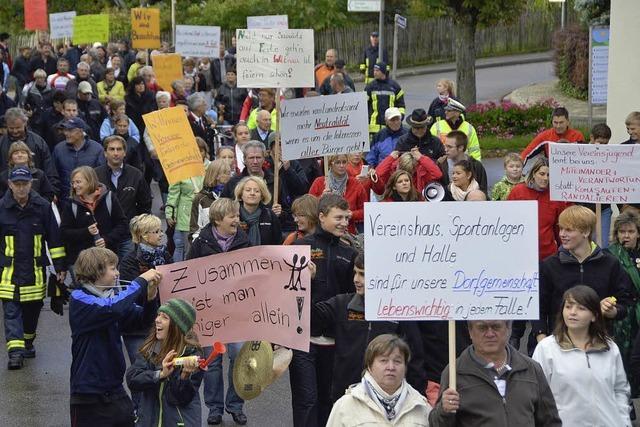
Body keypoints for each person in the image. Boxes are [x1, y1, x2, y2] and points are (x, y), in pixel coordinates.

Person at [68, 247, 162, 426]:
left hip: (115, 390)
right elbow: (111, 308)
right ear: (96, 271)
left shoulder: (112, 297)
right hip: (88, 395)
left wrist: (150, 299)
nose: (118, 273)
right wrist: (141, 281)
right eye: (113, 268)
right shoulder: (79, 298)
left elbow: (142, 322)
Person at [315, 253, 426, 402]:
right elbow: (311, 321)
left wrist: (415, 399)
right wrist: (308, 283)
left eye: (363, 275)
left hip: (387, 400)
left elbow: (414, 360)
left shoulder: (399, 311)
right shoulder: (342, 304)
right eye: (355, 272)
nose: (356, 279)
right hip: (347, 399)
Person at [291, 194, 357, 427]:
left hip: (334, 341)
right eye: (338, 217)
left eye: (346, 218)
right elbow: (283, 291)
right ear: (321, 217)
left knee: (330, 402)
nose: (344, 222)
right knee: (306, 401)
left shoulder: (349, 253)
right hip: (303, 339)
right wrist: (304, 280)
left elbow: (354, 296)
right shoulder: (300, 247)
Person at [532, 206, 634, 347]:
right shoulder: (549, 265)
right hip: (559, 345)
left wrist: (613, 311)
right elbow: (538, 306)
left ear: (586, 232)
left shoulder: (610, 263)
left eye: (569, 230)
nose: (562, 234)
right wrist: (541, 338)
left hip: (598, 343)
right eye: (561, 229)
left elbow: (625, 301)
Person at [186, 198, 250, 426]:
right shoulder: (201, 243)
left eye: (237, 215)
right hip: (209, 312)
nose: (237, 219)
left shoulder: (244, 241)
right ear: (217, 219)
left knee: (238, 355)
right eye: (232, 216)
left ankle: (235, 405)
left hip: (236, 311)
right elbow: (188, 274)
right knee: (212, 361)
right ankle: (214, 408)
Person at [429, 320, 561, 426]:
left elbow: (550, 421)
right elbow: (436, 424)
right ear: (470, 331)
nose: (490, 333)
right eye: (482, 328)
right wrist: (444, 410)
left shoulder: (531, 369)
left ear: (508, 329)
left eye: (496, 326)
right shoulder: (455, 373)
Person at [532, 285, 632, 426]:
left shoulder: (609, 347)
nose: (572, 312)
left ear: (594, 316)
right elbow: (537, 396)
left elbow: (620, 390)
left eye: (581, 308)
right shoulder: (546, 349)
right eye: (568, 306)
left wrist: (624, 422)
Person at [0, 166, 66, 369]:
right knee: (11, 312)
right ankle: (15, 353)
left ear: (31, 184)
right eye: (17, 184)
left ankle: (27, 342)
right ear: (10, 185)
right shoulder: (1, 208)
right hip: (8, 272)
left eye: (24, 184)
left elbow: (54, 239)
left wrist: (60, 266)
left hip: (35, 272)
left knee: (32, 312)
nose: (21, 188)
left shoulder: (43, 207)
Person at [126, 298, 203, 427]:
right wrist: (160, 374)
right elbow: (132, 380)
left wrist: (184, 377)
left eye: (165, 317)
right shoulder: (150, 348)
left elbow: (181, 399)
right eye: (158, 315)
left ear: (177, 326)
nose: (157, 320)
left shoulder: (193, 354)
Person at [326, 334, 431, 426]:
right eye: (383, 361)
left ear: (405, 367)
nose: (391, 367)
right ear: (369, 366)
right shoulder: (346, 405)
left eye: (397, 361)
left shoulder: (421, 406)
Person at [60, 166, 129, 270]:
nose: (75, 186)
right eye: (73, 183)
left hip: (107, 259)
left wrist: (106, 239)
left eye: (78, 182)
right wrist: (86, 232)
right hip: (82, 263)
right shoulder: (71, 204)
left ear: (90, 181)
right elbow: (64, 232)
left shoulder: (109, 198)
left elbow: (122, 224)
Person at [95, 135, 151, 254]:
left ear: (125, 153)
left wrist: (139, 230)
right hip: (104, 237)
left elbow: (145, 205)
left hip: (128, 236)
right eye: (112, 149)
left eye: (119, 149)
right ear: (105, 153)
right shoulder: (95, 175)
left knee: (128, 270)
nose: (116, 153)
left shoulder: (136, 175)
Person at [507, 158, 569, 260]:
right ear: (533, 173)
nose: (545, 178)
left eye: (549, 175)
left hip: (548, 255)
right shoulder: (518, 191)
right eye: (542, 174)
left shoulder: (555, 196)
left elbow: (560, 227)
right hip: (521, 252)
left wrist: (564, 251)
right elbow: (507, 220)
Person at [608, 210, 640, 394]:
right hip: (622, 314)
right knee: (624, 359)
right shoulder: (610, 255)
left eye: (630, 232)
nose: (626, 236)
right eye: (622, 232)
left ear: (638, 233)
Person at [165, 137, 208, 261]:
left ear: (205, 152)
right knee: (182, 247)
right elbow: (173, 193)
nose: (198, 154)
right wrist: (169, 213)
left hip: (204, 212)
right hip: (185, 214)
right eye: (194, 150)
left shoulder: (211, 167)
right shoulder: (179, 169)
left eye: (201, 150)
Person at [0, 107, 60, 192]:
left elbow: (49, 169)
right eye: (11, 128)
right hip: (6, 193)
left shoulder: (38, 142)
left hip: (36, 192)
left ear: (25, 123)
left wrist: (53, 191)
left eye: (18, 127)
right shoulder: (1, 143)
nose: (15, 131)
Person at [309, 154, 367, 234]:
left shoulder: (355, 183)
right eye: (337, 162)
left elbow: (365, 210)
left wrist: (352, 214)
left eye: (344, 162)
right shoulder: (319, 182)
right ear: (330, 164)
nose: (342, 165)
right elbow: (308, 209)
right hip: (323, 233)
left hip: (347, 234)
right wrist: (321, 198)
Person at [52, 117, 106, 200]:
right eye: (65, 130)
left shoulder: (97, 149)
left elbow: (102, 176)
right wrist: (55, 193)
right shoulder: (59, 149)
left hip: (90, 200)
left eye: (70, 130)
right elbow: (54, 174)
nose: (66, 133)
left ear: (81, 132)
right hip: (65, 200)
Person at [520, 107, 585, 164]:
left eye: (561, 122)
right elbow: (526, 154)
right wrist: (517, 169)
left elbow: (585, 158)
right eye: (555, 122)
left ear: (568, 122)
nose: (558, 126)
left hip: (572, 171)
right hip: (551, 172)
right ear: (552, 122)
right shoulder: (545, 136)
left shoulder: (578, 136)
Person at [190, 159, 232, 240]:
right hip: (207, 245)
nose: (229, 176)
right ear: (216, 175)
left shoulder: (232, 196)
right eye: (226, 173)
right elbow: (195, 229)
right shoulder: (201, 198)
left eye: (229, 173)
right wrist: (199, 246)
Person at [235, 176, 282, 245]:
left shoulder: (270, 215)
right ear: (241, 194)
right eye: (248, 190)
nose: (252, 193)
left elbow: (277, 242)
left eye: (257, 191)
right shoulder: (233, 214)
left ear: (262, 196)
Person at [371, 150, 442, 197]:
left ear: (415, 168)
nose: (407, 175)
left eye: (410, 172)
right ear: (399, 166)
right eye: (403, 171)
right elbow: (377, 175)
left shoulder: (421, 171)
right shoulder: (391, 168)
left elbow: (438, 174)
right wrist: (390, 158)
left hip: (417, 203)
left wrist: (421, 158)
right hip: (395, 201)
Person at [364, 62, 405, 135]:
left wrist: (399, 118)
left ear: (383, 72)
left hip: (391, 126)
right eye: (374, 70)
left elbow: (401, 105)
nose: (374, 73)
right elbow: (363, 105)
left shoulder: (394, 86)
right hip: (373, 128)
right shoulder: (370, 87)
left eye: (377, 70)